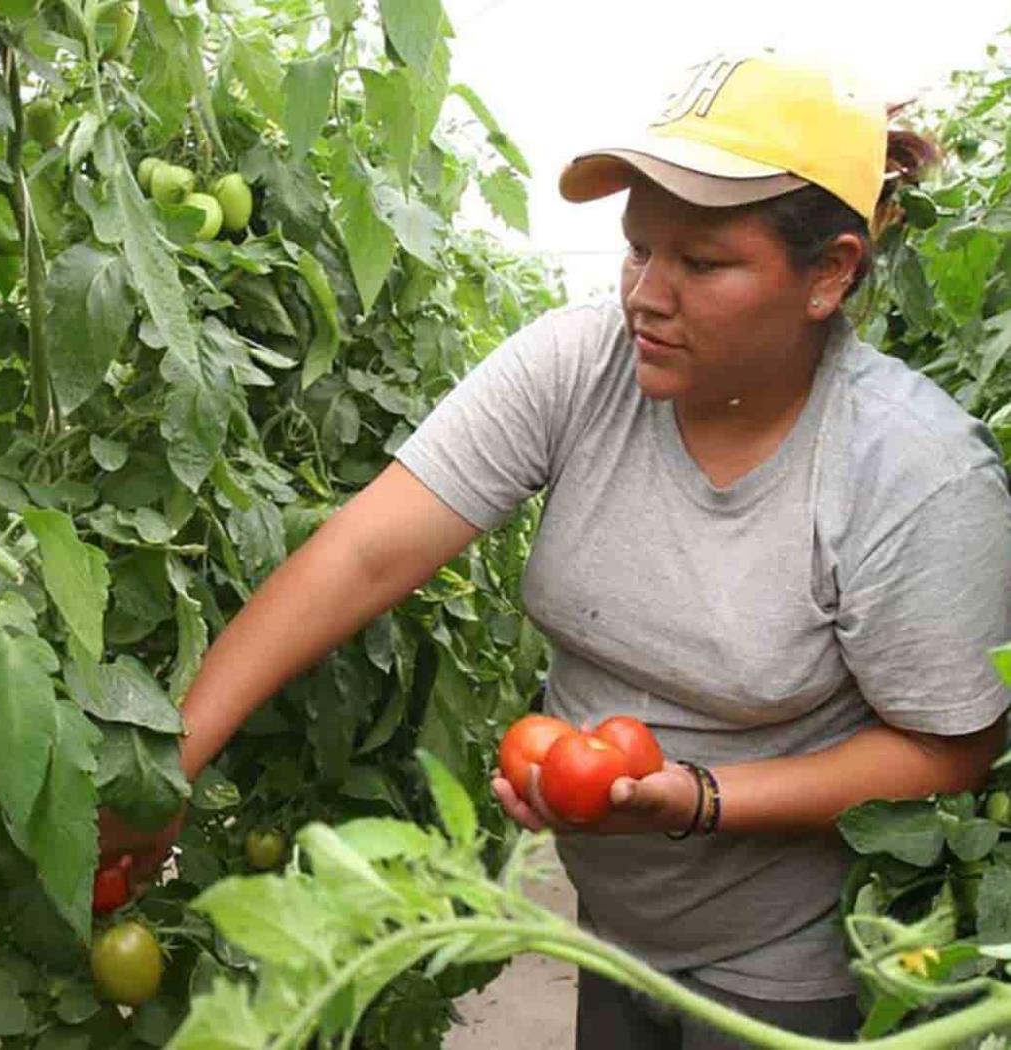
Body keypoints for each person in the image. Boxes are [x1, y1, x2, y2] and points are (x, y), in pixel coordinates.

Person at [102, 50, 1011, 1045]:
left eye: (701, 264)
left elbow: (949, 750)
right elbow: (363, 555)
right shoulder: (583, 365)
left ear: (829, 274)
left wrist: (700, 800)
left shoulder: (909, 473)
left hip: (795, 959)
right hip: (612, 926)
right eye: (637, 250)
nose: (645, 295)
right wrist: (172, 766)